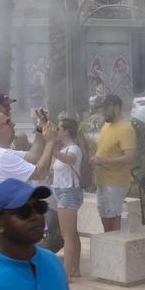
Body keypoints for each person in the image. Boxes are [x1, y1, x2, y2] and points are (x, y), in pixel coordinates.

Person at [0, 105, 54, 246]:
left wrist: (39, 129)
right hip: (20, 230)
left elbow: (33, 156)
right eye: (7, 122)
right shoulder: (1, 157)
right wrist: (51, 141)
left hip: (12, 231)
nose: (13, 124)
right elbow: (40, 172)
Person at [90, 93, 135, 232]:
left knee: (113, 219)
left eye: (105, 108)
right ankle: (108, 247)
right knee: (105, 218)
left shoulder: (126, 128)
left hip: (115, 182)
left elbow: (129, 157)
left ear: (115, 107)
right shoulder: (105, 126)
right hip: (102, 181)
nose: (102, 112)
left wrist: (104, 160)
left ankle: (115, 248)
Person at [49, 117, 85, 277]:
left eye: (59, 128)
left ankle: (67, 273)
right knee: (72, 233)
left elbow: (70, 159)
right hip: (60, 191)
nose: (57, 131)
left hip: (68, 191)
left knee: (67, 235)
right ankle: (74, 269)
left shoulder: (74, 148)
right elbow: (51, 167)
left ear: (67, 131)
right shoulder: (62, 149)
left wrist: (52, 149)